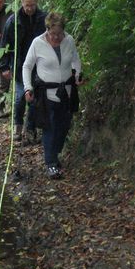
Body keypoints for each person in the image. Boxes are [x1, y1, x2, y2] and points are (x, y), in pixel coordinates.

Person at [22, 12, 83, 179]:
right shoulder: (38, 43)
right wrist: (28, 88)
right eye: (53, 34)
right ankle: (51, 163)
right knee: (50, 127)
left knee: (63, 126)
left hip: (67, 92)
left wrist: (77, 75)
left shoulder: (69, 41)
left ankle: (54, 155)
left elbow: (75, 60)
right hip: (46, 94)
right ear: (47, 30)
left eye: (59, 33)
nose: (56, 37)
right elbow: (27, 66)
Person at [0, 0, 47, 143]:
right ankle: (18, 128)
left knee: (34, 99)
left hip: (39, 67)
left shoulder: (44, 19)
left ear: (36, 3)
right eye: (27, 5)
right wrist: (4, 66)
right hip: (20, 67)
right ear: (22, 4)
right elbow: (4, 44)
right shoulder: (13, 21)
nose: (29, 8)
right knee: (20, 98)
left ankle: (31, 129)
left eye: (32, 5)